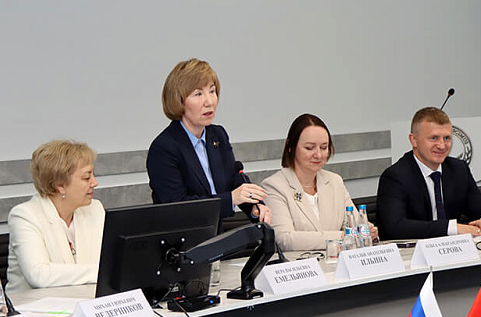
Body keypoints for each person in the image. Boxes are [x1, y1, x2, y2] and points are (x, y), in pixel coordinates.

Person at [146, 58, 271, 226]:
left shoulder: (217, 135)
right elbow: (177, 207)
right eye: (198, 94)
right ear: (179, 100)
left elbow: (233, 180)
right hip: (184, 238)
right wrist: (230, 199)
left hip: (217, 234)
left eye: (212, 91)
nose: (209, 101)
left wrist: (254, 206)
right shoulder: (164, 148)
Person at [263, 114, 377, 251]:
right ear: (290, 146)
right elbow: (285, 239)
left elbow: (354, 224)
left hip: (336, 261)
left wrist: (367, 231)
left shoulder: (335, 181)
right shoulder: (274, 186)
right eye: (309, 148)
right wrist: (343, 236)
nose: (318, 155)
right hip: (299, 263)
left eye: (323, 147)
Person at [6, 140, 105, 293]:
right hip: (33, 305)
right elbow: (39, 275)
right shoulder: (25, 215)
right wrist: (102, 271)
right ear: (60, 185)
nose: (95, 183)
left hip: (84, 301)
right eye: (86, 177)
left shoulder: (94, 209)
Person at [377, 107, 481, 240]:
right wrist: (452, 228)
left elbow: (480, 207)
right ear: (414, 140)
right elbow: (395, 227)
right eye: (434, 138)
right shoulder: (395, 177)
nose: (442, 146)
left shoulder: (459, 169)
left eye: (447, 138)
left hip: (454, 248)